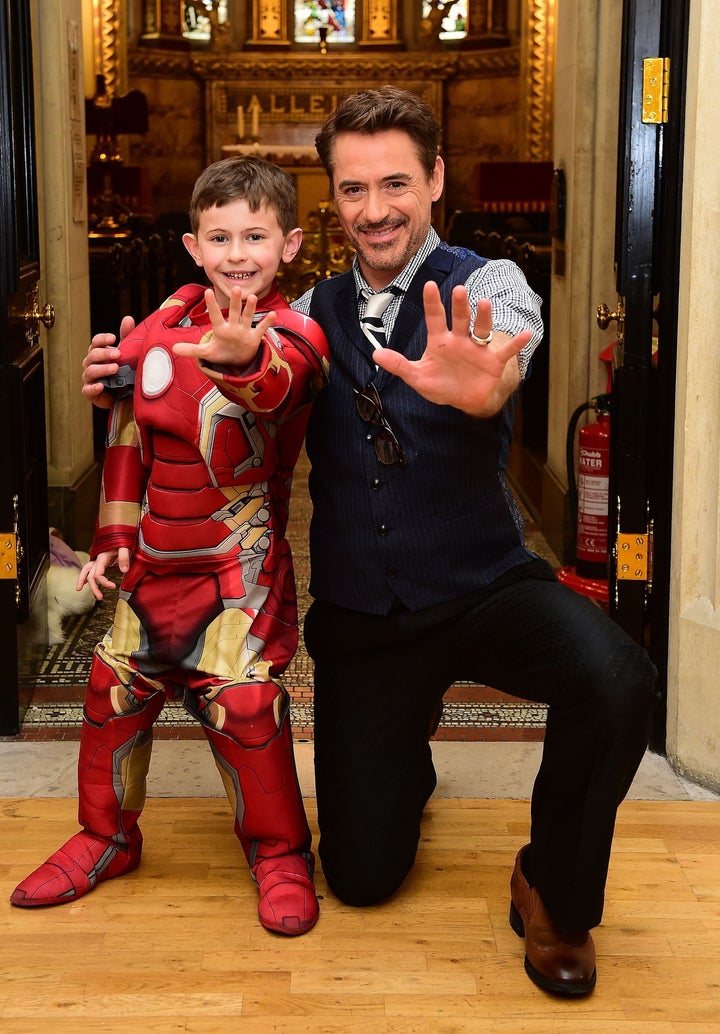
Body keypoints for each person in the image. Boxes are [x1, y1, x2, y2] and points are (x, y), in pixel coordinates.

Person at [79, 87, 657, 995]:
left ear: (433, 179)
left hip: (483, 584)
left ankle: (556, 891)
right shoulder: (302, 311)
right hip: (365, 616)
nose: (376, 208)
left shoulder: (487, 281)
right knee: (359, 877)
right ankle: (403, 754)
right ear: (332, 199)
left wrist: (489, 382)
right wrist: (132, 375)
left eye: (396, 183)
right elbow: (235, 372)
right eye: (354, 189)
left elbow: (514, 338)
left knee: (619, 680)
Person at [11, 155, 330, 938]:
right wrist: (114, 532)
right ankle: (103, 836)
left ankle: (280, 853)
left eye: (254, 235)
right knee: (111, 690)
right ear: (193, 245)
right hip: (153, 564)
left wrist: (243, 359)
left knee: (248, 702)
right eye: (219, 236)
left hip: (239, 569)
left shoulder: (296, 331)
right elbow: (128, 431)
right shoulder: (155, 332)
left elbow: (281, 384)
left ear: (289, 245)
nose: (236, 253)